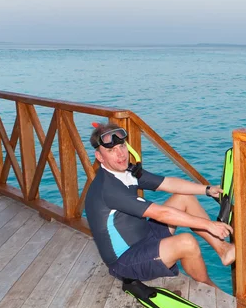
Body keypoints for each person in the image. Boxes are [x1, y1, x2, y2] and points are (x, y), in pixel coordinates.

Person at [85, 123, 234, 288]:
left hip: (146, 235)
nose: (120, 154)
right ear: (99, 157)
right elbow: (160, 214)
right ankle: (209, 288)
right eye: (111, 151)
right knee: (187, 242)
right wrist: (209, 224)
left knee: (185, 198)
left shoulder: (127, 172)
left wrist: (206, 190)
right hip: (126, 260)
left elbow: (168, 183)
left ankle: (223, 250)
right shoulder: (108, 188)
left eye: (122, 146)